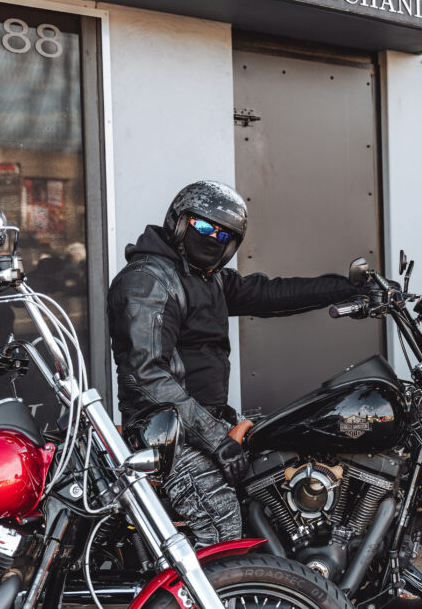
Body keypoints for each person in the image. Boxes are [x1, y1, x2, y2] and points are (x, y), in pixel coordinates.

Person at [108, 181, 362, 546]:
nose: (213, 239)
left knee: (282, 472)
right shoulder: (148, 281)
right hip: (165, 435)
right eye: (205, 228)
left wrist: (348, 288)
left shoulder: (205, 277)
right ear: (179, 223)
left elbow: (270, 294)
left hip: (204, 421)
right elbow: (147, 377)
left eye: (224, 234)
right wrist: (217, 440)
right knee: (221, 525)